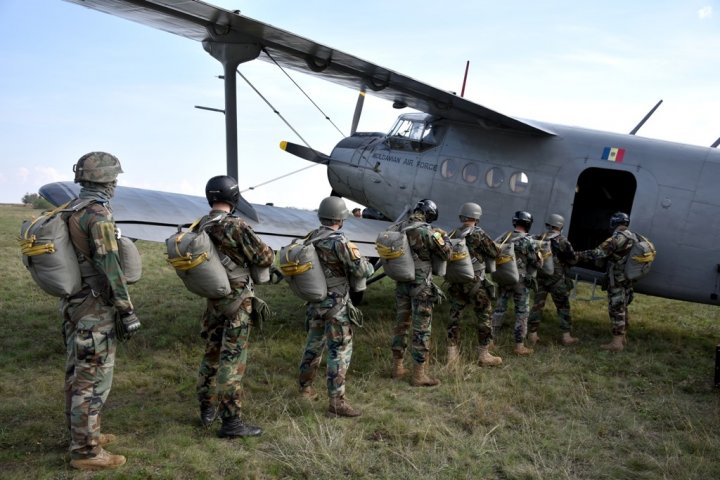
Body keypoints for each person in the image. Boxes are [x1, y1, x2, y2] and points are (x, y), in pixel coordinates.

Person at [62, 152, 141, 470]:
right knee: (91, 379)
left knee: (76, 375)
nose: (116, 185)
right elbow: (110, 267)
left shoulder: (72, 208)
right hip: (95, 308)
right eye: (114, 179)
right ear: (106, 181)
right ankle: (86, 452)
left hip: (75, 303)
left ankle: (82, 434)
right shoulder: (98, 215)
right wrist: (127, 309)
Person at [196, 175, 274, 437]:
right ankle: (231, 423)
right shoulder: (236, 226)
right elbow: (264, 256)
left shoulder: (199, 225)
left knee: (211, 355)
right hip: (238, 304)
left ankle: (207, 410)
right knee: (232, 360)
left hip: (214, 301)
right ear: (234, 197)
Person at [297, 197, 374, 417]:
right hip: (337, 304)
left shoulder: (311, 237)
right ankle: (336, 402)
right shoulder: (340, 241)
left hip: (315, 301)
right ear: (340, 218)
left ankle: (305, 388)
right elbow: (363, 271)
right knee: (339, 351)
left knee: (313, 345)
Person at [390, 199, 452, 386]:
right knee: (421, 328)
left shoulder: (399, 227)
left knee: (401, 325)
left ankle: (397, 367)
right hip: (421, 286)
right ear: (430, 214)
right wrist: (445, 236)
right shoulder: (428, 231)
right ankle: (419, 375)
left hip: (402, 283)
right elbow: (446, 253)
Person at [446, 202, 502, 366]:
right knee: (485, 315)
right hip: (476, 284)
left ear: (462, 216)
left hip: (456, 282)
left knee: (454, 317)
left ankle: (451, 355)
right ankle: (484, 355)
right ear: (477, 217)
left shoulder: (454, 233)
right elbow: (495, 252)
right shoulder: (479, 234)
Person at [576, 212, 635, 352]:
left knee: (616, 309)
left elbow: (598, 253)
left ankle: (617, 343)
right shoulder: (632, 236)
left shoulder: (617, 238)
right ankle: (623, 337)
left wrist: (576, 255)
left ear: (614, 223)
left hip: (617, 279)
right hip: (626, 278)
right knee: (623, 307)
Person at [491, 211, 542, 356]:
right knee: (522, 312)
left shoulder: (505, 236)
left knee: (499, 309)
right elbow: (536, 263)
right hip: (520, 282)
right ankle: (519, 346)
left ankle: (490, 341)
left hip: (504, 278)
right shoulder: (528, 241)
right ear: (528, 224)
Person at [527, 214, 580, 346]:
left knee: (537, 306)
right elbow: (572, 259)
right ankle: (566, 337)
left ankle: (532, 335)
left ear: (548, 224)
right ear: (561, 226)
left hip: (541, 277)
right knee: (563, 307)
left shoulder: (540, 237)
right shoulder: (562, 240)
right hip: (557, 279)